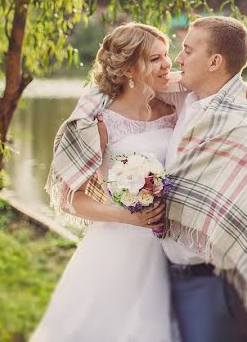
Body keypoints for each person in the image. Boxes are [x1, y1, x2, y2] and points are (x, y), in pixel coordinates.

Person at [33, 23, 184, 342]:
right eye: (155, 58)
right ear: (129, 68)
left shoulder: (177, 108)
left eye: (166, 54)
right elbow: (70, 198)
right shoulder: (97, 121)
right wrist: (127, 216)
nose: (167, 63)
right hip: (118, 247)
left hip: (176, 246)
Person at [160, 16, 247, 342]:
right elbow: (119, 88)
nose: (178, 58)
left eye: (188, 51)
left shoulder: (239, 125)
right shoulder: (185, 102)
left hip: (219, 286)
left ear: (215, 61)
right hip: (168, 277)